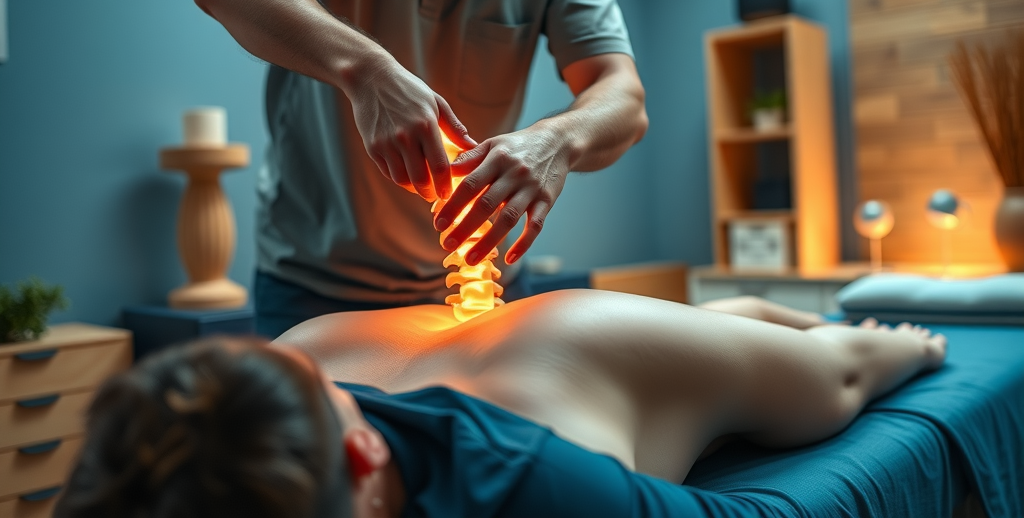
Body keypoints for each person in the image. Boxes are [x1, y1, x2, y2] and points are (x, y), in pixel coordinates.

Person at [55, 291, 947, 518]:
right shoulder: (145, 476)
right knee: (702, 338)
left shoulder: (530, 482)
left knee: (830, 373)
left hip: (569, 347)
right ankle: (716, 322)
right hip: (339, 350)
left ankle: (896, 334)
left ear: (367, 464)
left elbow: (832, 391)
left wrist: (905, 349)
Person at [192, 0, 648, 338]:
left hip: (489, 292)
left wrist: (559, 138)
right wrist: (366, 70)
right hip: (313, 291)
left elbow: (624, 99)